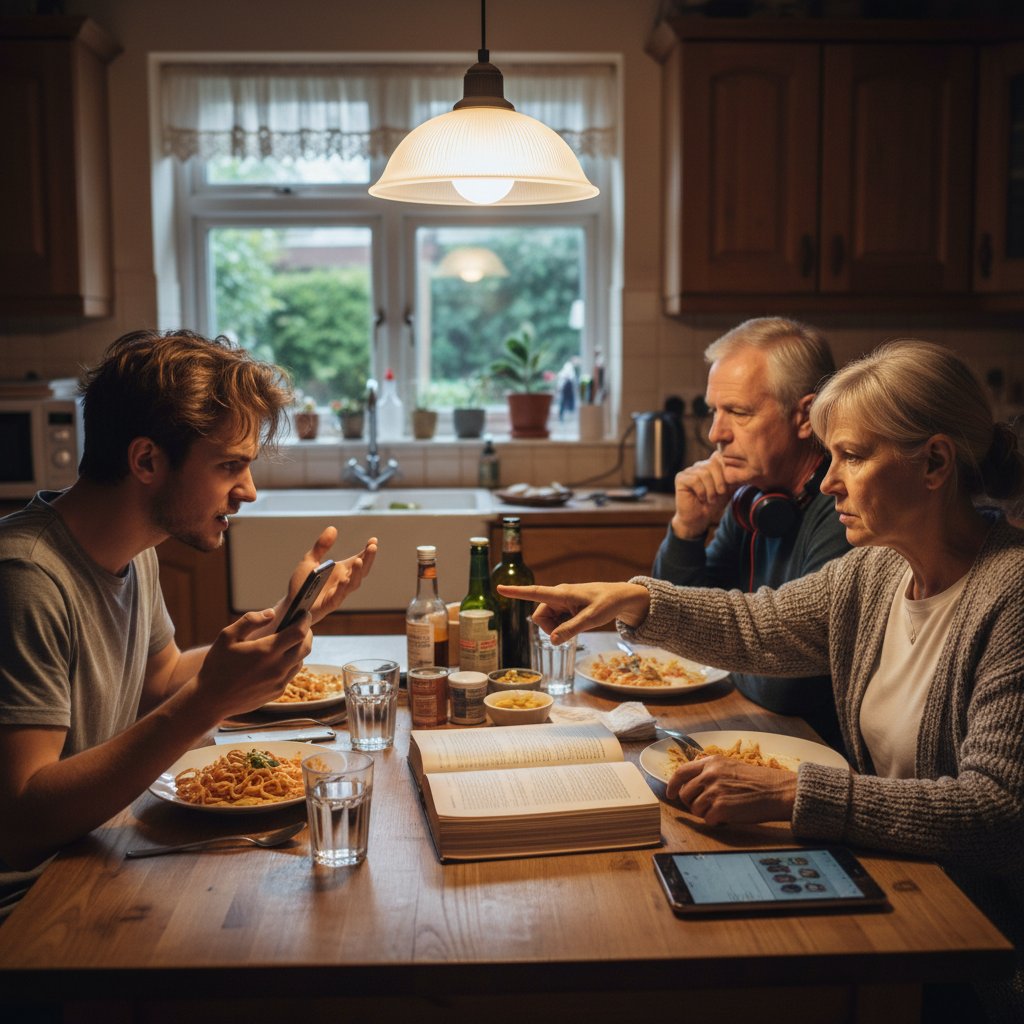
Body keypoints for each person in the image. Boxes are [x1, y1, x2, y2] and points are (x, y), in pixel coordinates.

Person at [501, 340, 1024, 1021]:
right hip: (904, 884)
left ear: (933, 463)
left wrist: (792, 792)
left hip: (979, 950)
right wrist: (635, 599)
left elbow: (998, 815)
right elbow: (760, 625)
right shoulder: (879, 572)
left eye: (853, 456)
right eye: (830, 456)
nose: (830, 480)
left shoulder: (1009, 595)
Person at [0, 329, 378, 915]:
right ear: (147, 459)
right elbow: (22, 821)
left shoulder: (134, 550)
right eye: (231, 466)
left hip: (98, 850)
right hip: (30, 905)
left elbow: (162, 678)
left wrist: (290, 615)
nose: (248, 491)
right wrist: (206, 702)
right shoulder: (26, 578)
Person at [652, 317, 849, 750]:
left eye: (738, 413)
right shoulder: (753, 500)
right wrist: (688, 528)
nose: (714, 434)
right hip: (764, 732)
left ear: (805, 416)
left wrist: (710, 653)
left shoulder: (845, 511)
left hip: (820, 757)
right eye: (713, 411)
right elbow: (675, 627)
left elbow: (787, 685)